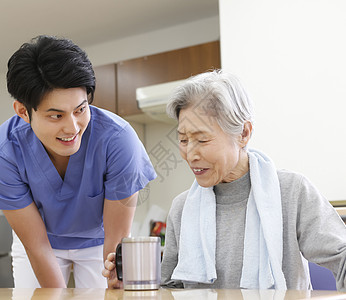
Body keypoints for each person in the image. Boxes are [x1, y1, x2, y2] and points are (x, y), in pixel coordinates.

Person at [103, 69, 346, 290]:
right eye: (184, 140)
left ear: (243, 133)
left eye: (202, 139)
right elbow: (172, 291)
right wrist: (132, 286)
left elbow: (342, 256)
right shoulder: (182, 208)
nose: (190, 154)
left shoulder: (293, 193)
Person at [0, 35, 156, 288]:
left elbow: (116, 238)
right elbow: (37, 245)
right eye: (56, 115)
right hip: (41, 244)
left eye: (80, 110)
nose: (72, 127)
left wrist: (115, 278)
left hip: (100, 244)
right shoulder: (5, 152)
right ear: (22, 112)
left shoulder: (118, 139)